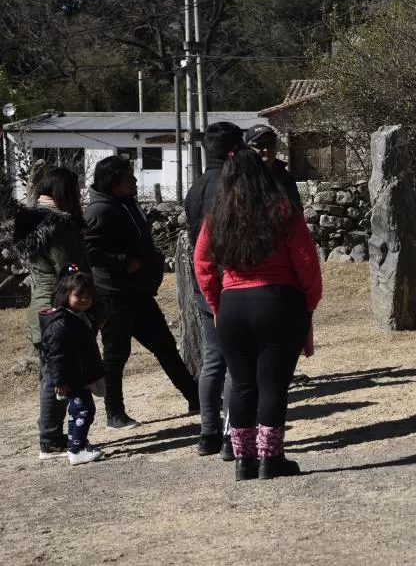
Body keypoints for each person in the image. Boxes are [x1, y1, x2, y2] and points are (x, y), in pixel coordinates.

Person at [194, 148, 322, 481]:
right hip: (278, 302)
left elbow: (202, 263)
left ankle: (243, 460)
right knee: (273, 385)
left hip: (233, 305)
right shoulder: (283, 211)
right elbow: (307, 263)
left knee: (241, 386)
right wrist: (308, 305)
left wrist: (216, 304)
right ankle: (270, 458)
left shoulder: (217, 217)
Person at [84, 156, 199, 429]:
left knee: (166, 347)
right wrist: (124, 261)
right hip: (114, 295)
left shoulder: (127, 204)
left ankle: (195, 398)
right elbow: (90, 250)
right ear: (114, 182)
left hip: (139, 293)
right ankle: (114, 413)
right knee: (116, 355)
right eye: (128, 177)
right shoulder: (99, 211)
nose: (135, 181)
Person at [13, 167, 99, 459]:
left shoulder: (31, 221)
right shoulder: (58, 226)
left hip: (42, 304)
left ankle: (52, 435)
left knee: (51, 373)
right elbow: (70, 268)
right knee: (56, 377)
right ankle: (50, 439)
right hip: (60, 307)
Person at [184, 121, 244, 460]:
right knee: (236, 362)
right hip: (232, 281)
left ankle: (207, 431)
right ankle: (232, 433)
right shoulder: (234, 184)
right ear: (235, 149)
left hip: (201, 280)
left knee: (212, 360)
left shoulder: (196, 188)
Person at [38, 268, 105, 465]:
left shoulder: (77, 317)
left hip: (77, 376)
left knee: (78, 411)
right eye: (79, 295)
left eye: (88, 296)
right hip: (69, 378)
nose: (85, 299)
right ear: (65, 295)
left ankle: (76, 442)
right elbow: (56, 356)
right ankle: (76, 450)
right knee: (83, 410)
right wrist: (60, 381)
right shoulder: (60, 323)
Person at [243, 124, 302, 208]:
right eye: (260, 145)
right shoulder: (240, 177)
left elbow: (297, 211)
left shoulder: (286, 178)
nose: (266, 150)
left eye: (270, 144)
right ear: (247, 149)